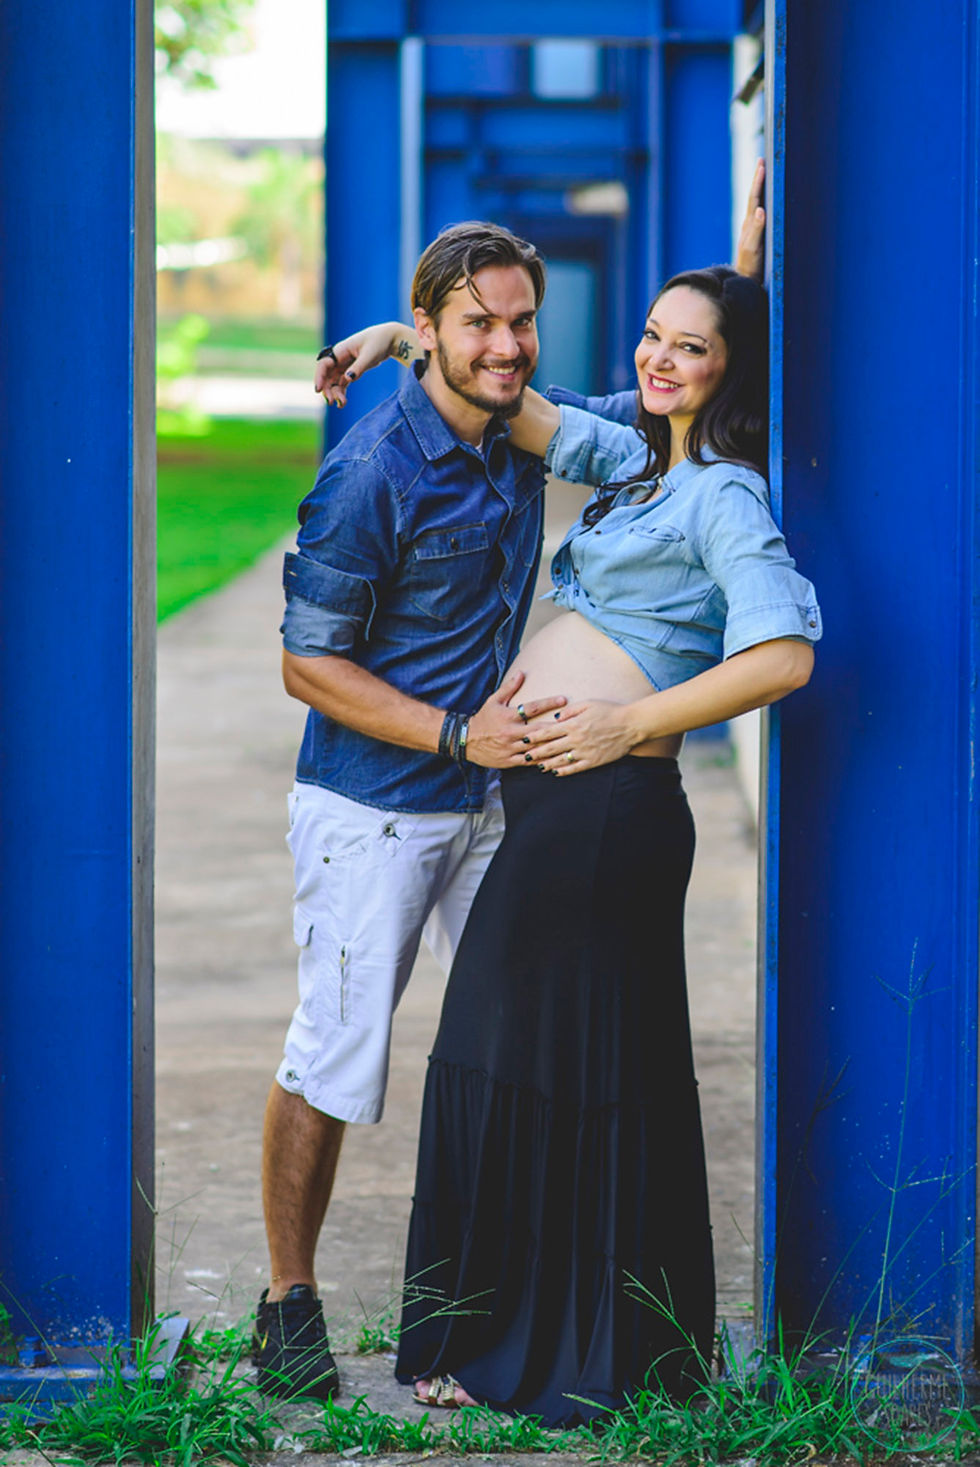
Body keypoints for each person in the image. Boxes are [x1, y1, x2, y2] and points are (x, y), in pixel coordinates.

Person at [315, 253, 820, 1423]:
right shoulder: (638, 459)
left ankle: (546, 1347)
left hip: (605, 815)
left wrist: (626, 722)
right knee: (537, 1064)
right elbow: (518, 406)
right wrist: (397, 338)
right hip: (558, 812)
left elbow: (783, 655)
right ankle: (562, 1341)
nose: (658, 359)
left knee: (522, 1059)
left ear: (732, 369)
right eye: (652, 335)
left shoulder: (722, 495)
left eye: (690, 347)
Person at [253, 220, 569, 1402]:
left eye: (520, 321)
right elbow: (307, 664)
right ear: (432, 328)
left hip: (486, 800)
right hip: (373, 810)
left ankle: (494, 1310)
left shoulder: (514, 431)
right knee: (335, 1058)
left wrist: (401, 336)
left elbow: (654, 417)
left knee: (516, 1041)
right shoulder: (370, 473)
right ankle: (286, 1304)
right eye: (479, 323)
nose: (506, 345)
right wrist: (450, 734)